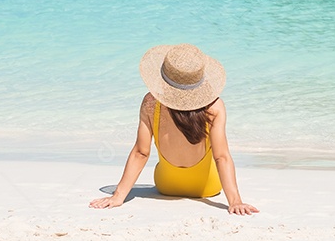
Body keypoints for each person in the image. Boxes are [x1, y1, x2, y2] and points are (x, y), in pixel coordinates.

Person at [89, 44, 258, 215]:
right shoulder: (214, 107)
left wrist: (118, 196)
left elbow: (141, 153)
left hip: (166, 185)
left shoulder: (151, 103)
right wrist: (235, 201)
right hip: (207, 187)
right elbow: (221, 157)